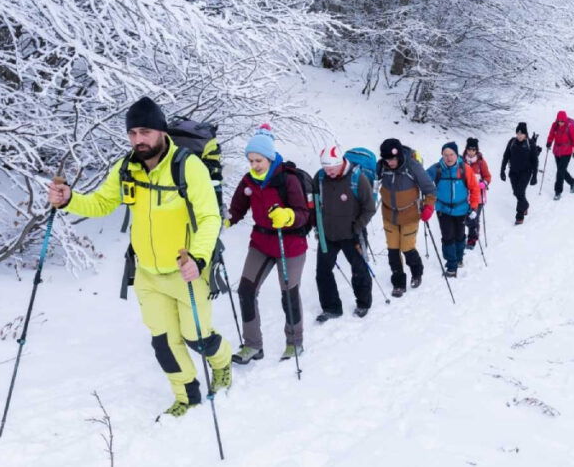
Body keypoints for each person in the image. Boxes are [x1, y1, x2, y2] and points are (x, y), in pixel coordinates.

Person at [47, 97, 230, 418]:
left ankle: (222, 363)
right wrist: (70, 200)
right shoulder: (126, 167)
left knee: (197, 337)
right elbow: (101, 204)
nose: (138, 140)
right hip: (147, 273)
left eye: (145, 132)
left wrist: (198, 259)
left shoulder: (188, 166)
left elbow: (210, 217)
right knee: (163, 343)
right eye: (132, 133)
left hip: (187, 271)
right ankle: (187, 398)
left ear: (160, 131)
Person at [226, 125, 310, 364]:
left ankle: (294, 342)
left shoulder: (288, 179)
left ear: (270, 157)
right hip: (261, 243)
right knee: (246, 290)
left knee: (288, 293)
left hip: (290, 243)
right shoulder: (248, 181)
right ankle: (253, 345)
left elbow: (303, 213)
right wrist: (225, 220)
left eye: (258, 160)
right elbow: (237, 209)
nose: (254, 165)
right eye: (250, 160)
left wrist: (288, 216)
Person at [312, 145, 377, 322]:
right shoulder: (319, 178)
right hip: (328, 235)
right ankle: (331, 308)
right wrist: (316, 225)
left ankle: (363, 303)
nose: (329, 173)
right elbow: (314, 204)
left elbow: (369, 209)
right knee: (322, 272)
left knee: (359, 269)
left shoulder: (358, 179)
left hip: (352, 234)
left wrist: (357, 228)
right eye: (326, 169)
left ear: (341, 163)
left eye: (332, 169)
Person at [376, 138, 437, 297]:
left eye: (393, 159)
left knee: (407, 247)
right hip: (389, 214)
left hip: (410, 214)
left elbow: (430, 189)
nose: (390, 163)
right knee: (393, 250)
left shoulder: (412, 167)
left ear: (399, 156)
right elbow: (372, 183)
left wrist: (429, 206)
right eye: (387, 159)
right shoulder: (381, 166)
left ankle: (417, 272)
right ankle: (398, 282)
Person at [426, 142, 482, 277]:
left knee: (460, 235)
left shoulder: (465, 169)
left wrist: (474, 207)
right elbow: (423, 181)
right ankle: (451, 265)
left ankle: (459, 258)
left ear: (457, 155)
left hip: (461, 209)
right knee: (447, 237)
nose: (449, 158)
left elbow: (474, 188)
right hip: (443, 209)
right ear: (442, 155)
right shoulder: (437, 169)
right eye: (445, 155)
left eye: (451, 154)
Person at [501, 122, 539, 225]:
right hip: (513, 172)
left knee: (520, 192)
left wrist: (534, 176)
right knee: (517, 193)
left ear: (525, 134)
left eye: (521, 133)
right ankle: (525, 205)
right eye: (517, 133)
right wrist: (502, 170)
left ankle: (520, 215)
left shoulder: (530, 143)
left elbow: (535, 161)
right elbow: (506, 156)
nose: (519, 135)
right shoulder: (512, 142)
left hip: (526, 172)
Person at [462, 137, 491, 250]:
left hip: (478, 196)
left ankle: (472, 239)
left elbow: (488, 176)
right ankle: (464, 236)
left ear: (476, 150)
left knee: (474, 218)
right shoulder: (461, 161)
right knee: (465, 218)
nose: (471, 152)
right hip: (464, 195)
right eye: (469, 149)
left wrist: (484, 183)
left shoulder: (480, 162)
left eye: (473, 150)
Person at [545, 110, 574, 200]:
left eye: (562, 121)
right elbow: (551, 134)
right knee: (562, 170)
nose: (560, 123)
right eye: (559, 121)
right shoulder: (555, 125)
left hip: (567, 152)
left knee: (560, 172)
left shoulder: (570, 127)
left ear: (565, 120)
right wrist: (549, 142)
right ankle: (572, 182)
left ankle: (558, 191)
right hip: (557, 151)